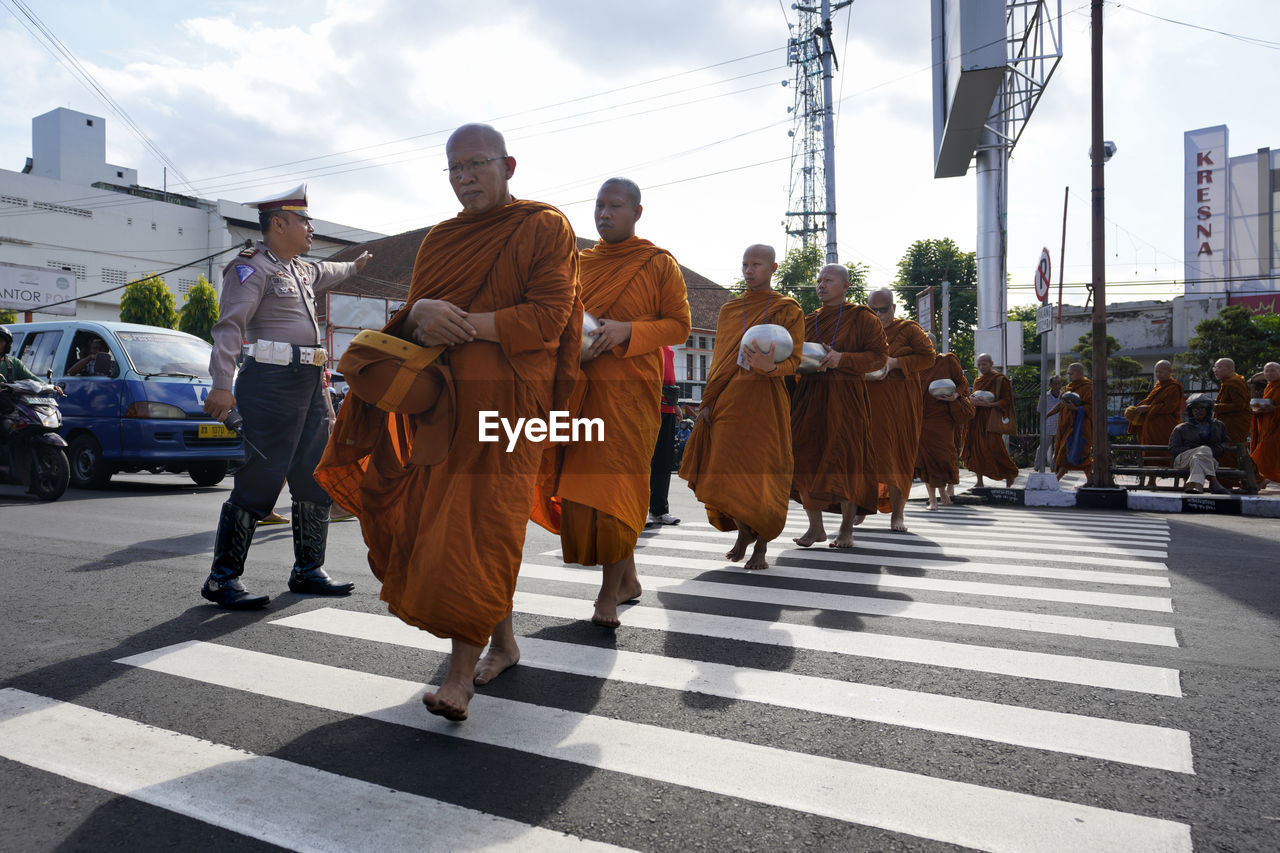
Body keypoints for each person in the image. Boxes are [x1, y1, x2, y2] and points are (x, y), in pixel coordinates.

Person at [315, 123, 581, 722]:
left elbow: (547, 318)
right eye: (454, 169)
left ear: (508, 166)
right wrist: (418, 315)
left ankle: (460, 677)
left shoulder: (544, 227)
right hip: (443, 405)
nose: (464, 178)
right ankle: (504, 642)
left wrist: (460, 321)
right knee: (470, 524)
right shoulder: (440, 240)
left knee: (481, 523)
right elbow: (414, 322)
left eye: (476, 165)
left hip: (512, 406)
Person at [200, 183, 371, 610]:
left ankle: (308, 570)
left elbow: (335, 272)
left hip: (310, 387)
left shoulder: (302, 270)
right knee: (260, 478)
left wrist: (358, 263)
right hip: (270, 385)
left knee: (314, 477)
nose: (311, 227)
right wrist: (222, 382)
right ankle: (222, 578)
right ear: (279, 224)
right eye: (304, 220)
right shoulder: (250, 268)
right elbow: (229, 327)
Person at [542, 177, 691, 628]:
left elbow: (680, 326)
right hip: (581, 390)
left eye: (615, 206)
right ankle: (627, 581)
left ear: (637, 212)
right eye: (599, 205)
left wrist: (628, 331)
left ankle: (607, 596)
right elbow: (560, 317)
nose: (604, 213)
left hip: (632, 394)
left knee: (617, 489)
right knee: (589, 491)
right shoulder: (578, 263)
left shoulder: (658, 263)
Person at [678, 244, 803, 571]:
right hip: (729, 402)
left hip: (766, 402)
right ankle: (744, 531)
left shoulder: (787, 309)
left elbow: (796, 360)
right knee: (724, 474)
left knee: (762, 474)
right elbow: (719, 362)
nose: (749, 270)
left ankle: (761, 545)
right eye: (745, 264)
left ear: (773, 267)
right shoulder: (729, 311)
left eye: (757, 264)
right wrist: (707, 403)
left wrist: (770, 366)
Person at [790, 264, 887, 546]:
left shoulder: (862, 318)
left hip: (847, 399)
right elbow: (795, 357)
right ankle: (815, 528)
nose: (821, 285)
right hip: (810, 397)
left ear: (845, 286)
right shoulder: (807, 321)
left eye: (828, 280)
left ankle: (846, 529)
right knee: (806, 458)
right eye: (819, 280)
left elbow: (879, 356)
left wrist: (842, 359)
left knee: (847, 461)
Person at [860, 287, 935, 532]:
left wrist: (896, 363)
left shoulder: (909, 330)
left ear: (893, 308)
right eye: (873, 309)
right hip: (868, 406)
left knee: (898, 459)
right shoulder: (863, 333)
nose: (878, 314)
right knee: (865, 459)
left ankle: (898, 515)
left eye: (883, 309)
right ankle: (861, 509)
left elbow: (928, 358)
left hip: (901, 408)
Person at [915, 338, 973, 510]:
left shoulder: (947, 361)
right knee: (925, 460)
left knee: (942, 456)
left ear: (934, 345)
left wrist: (956, 395)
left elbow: (962, 382)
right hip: (922, 418)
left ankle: (944, 491)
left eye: (927, 344)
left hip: (942, 419)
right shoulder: (916, 365)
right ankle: (933, 499)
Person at [961, 352, 1020, 489]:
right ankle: (979, 481)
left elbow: (1006, 401)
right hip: (976, 419)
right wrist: (972, 401)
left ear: (991, 364)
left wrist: (990, 405)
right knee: (975, 449)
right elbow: (976, 397)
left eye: (984, 364)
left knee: (995, 448)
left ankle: (1010, 473)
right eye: (979, 364)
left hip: (991, 420)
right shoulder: (978, 381)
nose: (981, 367)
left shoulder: (1000, 380)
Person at [1129, 359, 1184, 484]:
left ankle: (1180, 479)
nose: (1158, 374)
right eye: (1156, 371)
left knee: (1165, 451)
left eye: (1161, 372)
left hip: (1166, 425)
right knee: (1149, 452)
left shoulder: (1174, 387)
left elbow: (1169, 407)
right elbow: (1151, 402)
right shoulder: (1158, 386)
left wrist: (1147, 408)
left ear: (1170, 372)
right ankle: (1151, 480)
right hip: (1151, 426)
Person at [1168, 394, 1233, 494]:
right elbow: (1173, 449)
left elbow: (1226, 441)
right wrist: (1193, 450)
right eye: (1195, 409)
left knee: (1198, 457)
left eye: (1202, 408)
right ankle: (1213, 482)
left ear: (1208, 409)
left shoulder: (1218, 425)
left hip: (1210, 461)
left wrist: (1220, 448)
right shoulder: (1181, 428)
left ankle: (1197, 485)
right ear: (1191, 411)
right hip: (1183, 461)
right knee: (1203, 450)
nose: (1199, 411)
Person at [648, 344, 682, 527]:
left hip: (667, 406)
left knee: (664, 460)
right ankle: (640, 509)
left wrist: (675, 405)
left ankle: (659, 510)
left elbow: (669, 376)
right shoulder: (645, 334)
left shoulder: (667, 341)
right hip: (646, 405)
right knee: (644, 461)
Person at [1050, 362, 1094, 485]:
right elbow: (1061, 404)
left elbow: (1092, 408)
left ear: (1080, 373)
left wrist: (1076, 409)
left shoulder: (1088, 387)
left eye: (1071, 374)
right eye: (1068, 374)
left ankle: (1057, 479)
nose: (1069, 376)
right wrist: (1047, 415)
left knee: (1082, 453)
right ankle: (1089, 480)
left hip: (1080, 428)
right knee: (1064, 452)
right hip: (1067, 427)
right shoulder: (1069, 387)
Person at [1211, 357, 1251, 473]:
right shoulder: (1229, 381)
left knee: (1233, 450)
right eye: (1215, 367)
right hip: (1229, 422)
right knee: (1230, 451)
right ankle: (1230, 480)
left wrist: (1216, 407)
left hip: (1235, 423)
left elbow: (1239, 405)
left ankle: (1255, 479)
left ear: (1229, 368)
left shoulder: (1233, 382)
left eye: (1219, 367)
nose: (1215, 370)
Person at [1250, 361, 1280, 487]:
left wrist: (1273, 409)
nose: (1269, 373)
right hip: (1268, 426)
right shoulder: (1269, 386)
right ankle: (1261, 479)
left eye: (1272, 370)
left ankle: (1259, 479)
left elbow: (1274, 406)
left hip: (1277, 427)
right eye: (1267, 371)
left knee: (1261, 454)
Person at [1043, 373, 1063, 446]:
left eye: (1059, 383)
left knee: (1058, 449)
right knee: (1042, 449)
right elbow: (1040, 411)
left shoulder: (1064, 395)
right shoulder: (1044, 396)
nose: (1057, 386)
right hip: (1048, 427)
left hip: (1060, 426)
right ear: (1050, 385)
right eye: (1055, 384)